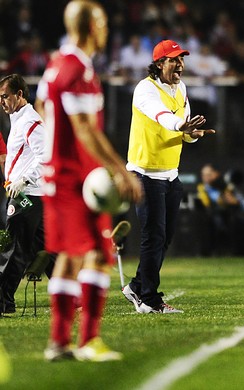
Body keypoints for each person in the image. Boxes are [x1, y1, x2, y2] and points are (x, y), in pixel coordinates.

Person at [36, 0, 143, 361]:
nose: (106, 30)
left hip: (59, 174)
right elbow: (84, 128)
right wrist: (118, 168)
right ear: (90, 27)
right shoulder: (77, 68)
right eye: (102, 23)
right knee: (98, 255)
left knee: (69, 255)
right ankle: (88, 341)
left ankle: (59, 342)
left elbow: (41, 106)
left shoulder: (56, 64)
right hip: (73, 177)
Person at [122, 38, 214, 314]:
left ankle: (137, 286)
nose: (180, 65)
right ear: (159, 63)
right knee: (153, 236)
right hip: (146, 173)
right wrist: (181, 125)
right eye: (174, 60)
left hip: (170, 174)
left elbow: (182, 131)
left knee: (165, 237)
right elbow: (162, 116)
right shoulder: (144, 89)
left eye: (182, 59)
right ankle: (149, 300)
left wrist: (192, 134)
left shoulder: (181, 88)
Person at [0, 74, 52, 315]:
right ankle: (71, 296)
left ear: (19, 94)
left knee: (14, 249)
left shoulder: (30, 121)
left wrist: (23, 180)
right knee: (49, 250)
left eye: (5, 96)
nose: (1, 101)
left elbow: (46, 158)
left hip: (27, 195)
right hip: (35, 195)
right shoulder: (19, 119)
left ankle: (3, 302)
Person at [196, 163, 244, 256]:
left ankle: (240, 252)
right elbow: (211, 203)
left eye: (209, 174)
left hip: (230, 220)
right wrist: (224, 199)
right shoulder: (201, 188)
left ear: (216, 174)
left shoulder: (227, 187)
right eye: (204, 175)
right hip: (212, 221)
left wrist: (236, 201)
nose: (206, 178)